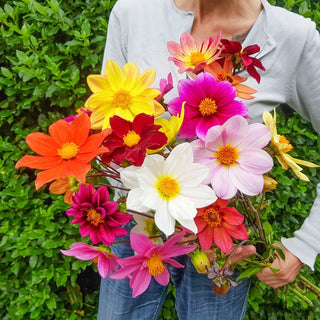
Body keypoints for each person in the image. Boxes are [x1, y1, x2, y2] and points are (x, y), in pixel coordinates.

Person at [97, 0, 320, 319]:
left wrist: (304, 245)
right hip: (138, 225)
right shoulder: (133, 12)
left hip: (221, 237)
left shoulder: (291, 36)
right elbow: (108, 121)